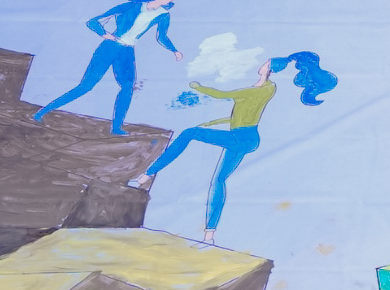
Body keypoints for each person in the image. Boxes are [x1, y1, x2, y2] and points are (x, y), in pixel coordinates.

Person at [129, 37, 333, 233]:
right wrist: (212, 123)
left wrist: (198, 87)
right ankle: (210, 232)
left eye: (266, 63)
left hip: (239, 138)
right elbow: (241, 117)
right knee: (219, 180)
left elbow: (222, 95)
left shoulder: (257, 91)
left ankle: (147, 174)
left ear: (269, 69)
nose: (262, 65)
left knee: (189, 133)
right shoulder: (267, 88)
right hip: (246, 137)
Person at [35, 0, 183, 135]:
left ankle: (116, 128)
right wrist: (104, 34)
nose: (169, 1)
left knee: (128, 87)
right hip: (110, 47)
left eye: (172, 0)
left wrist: (174, 50)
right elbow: (93, 22)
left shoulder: (163, 15)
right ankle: (41, 112)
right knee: (86, 86)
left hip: (127, 51)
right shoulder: (132, 6)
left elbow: (162, 36)